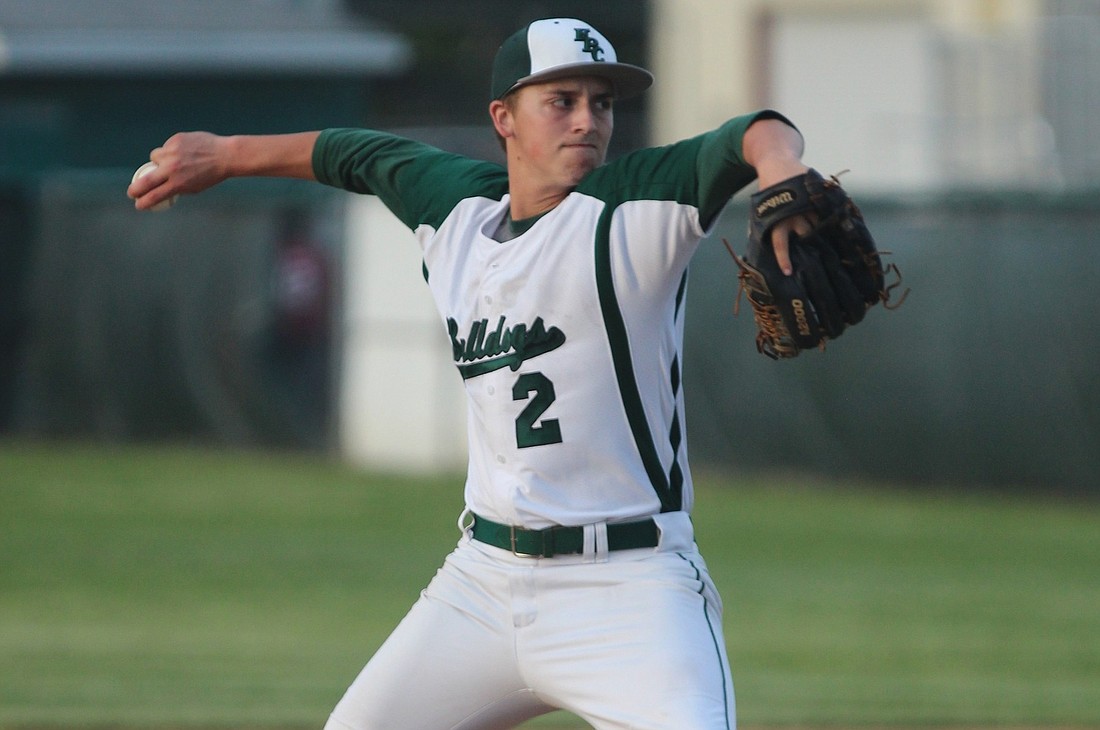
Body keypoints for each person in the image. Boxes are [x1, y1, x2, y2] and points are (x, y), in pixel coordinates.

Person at [129, 17, 812, 730]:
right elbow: (354, 154)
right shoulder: (457, 207)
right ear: (503, 117)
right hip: (483, 581)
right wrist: (225, 155)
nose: (588, 121)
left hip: (631, 587)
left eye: (601, 103)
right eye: (562, 100)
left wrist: (782, 167)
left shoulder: (635, 204)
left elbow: (753, 131)